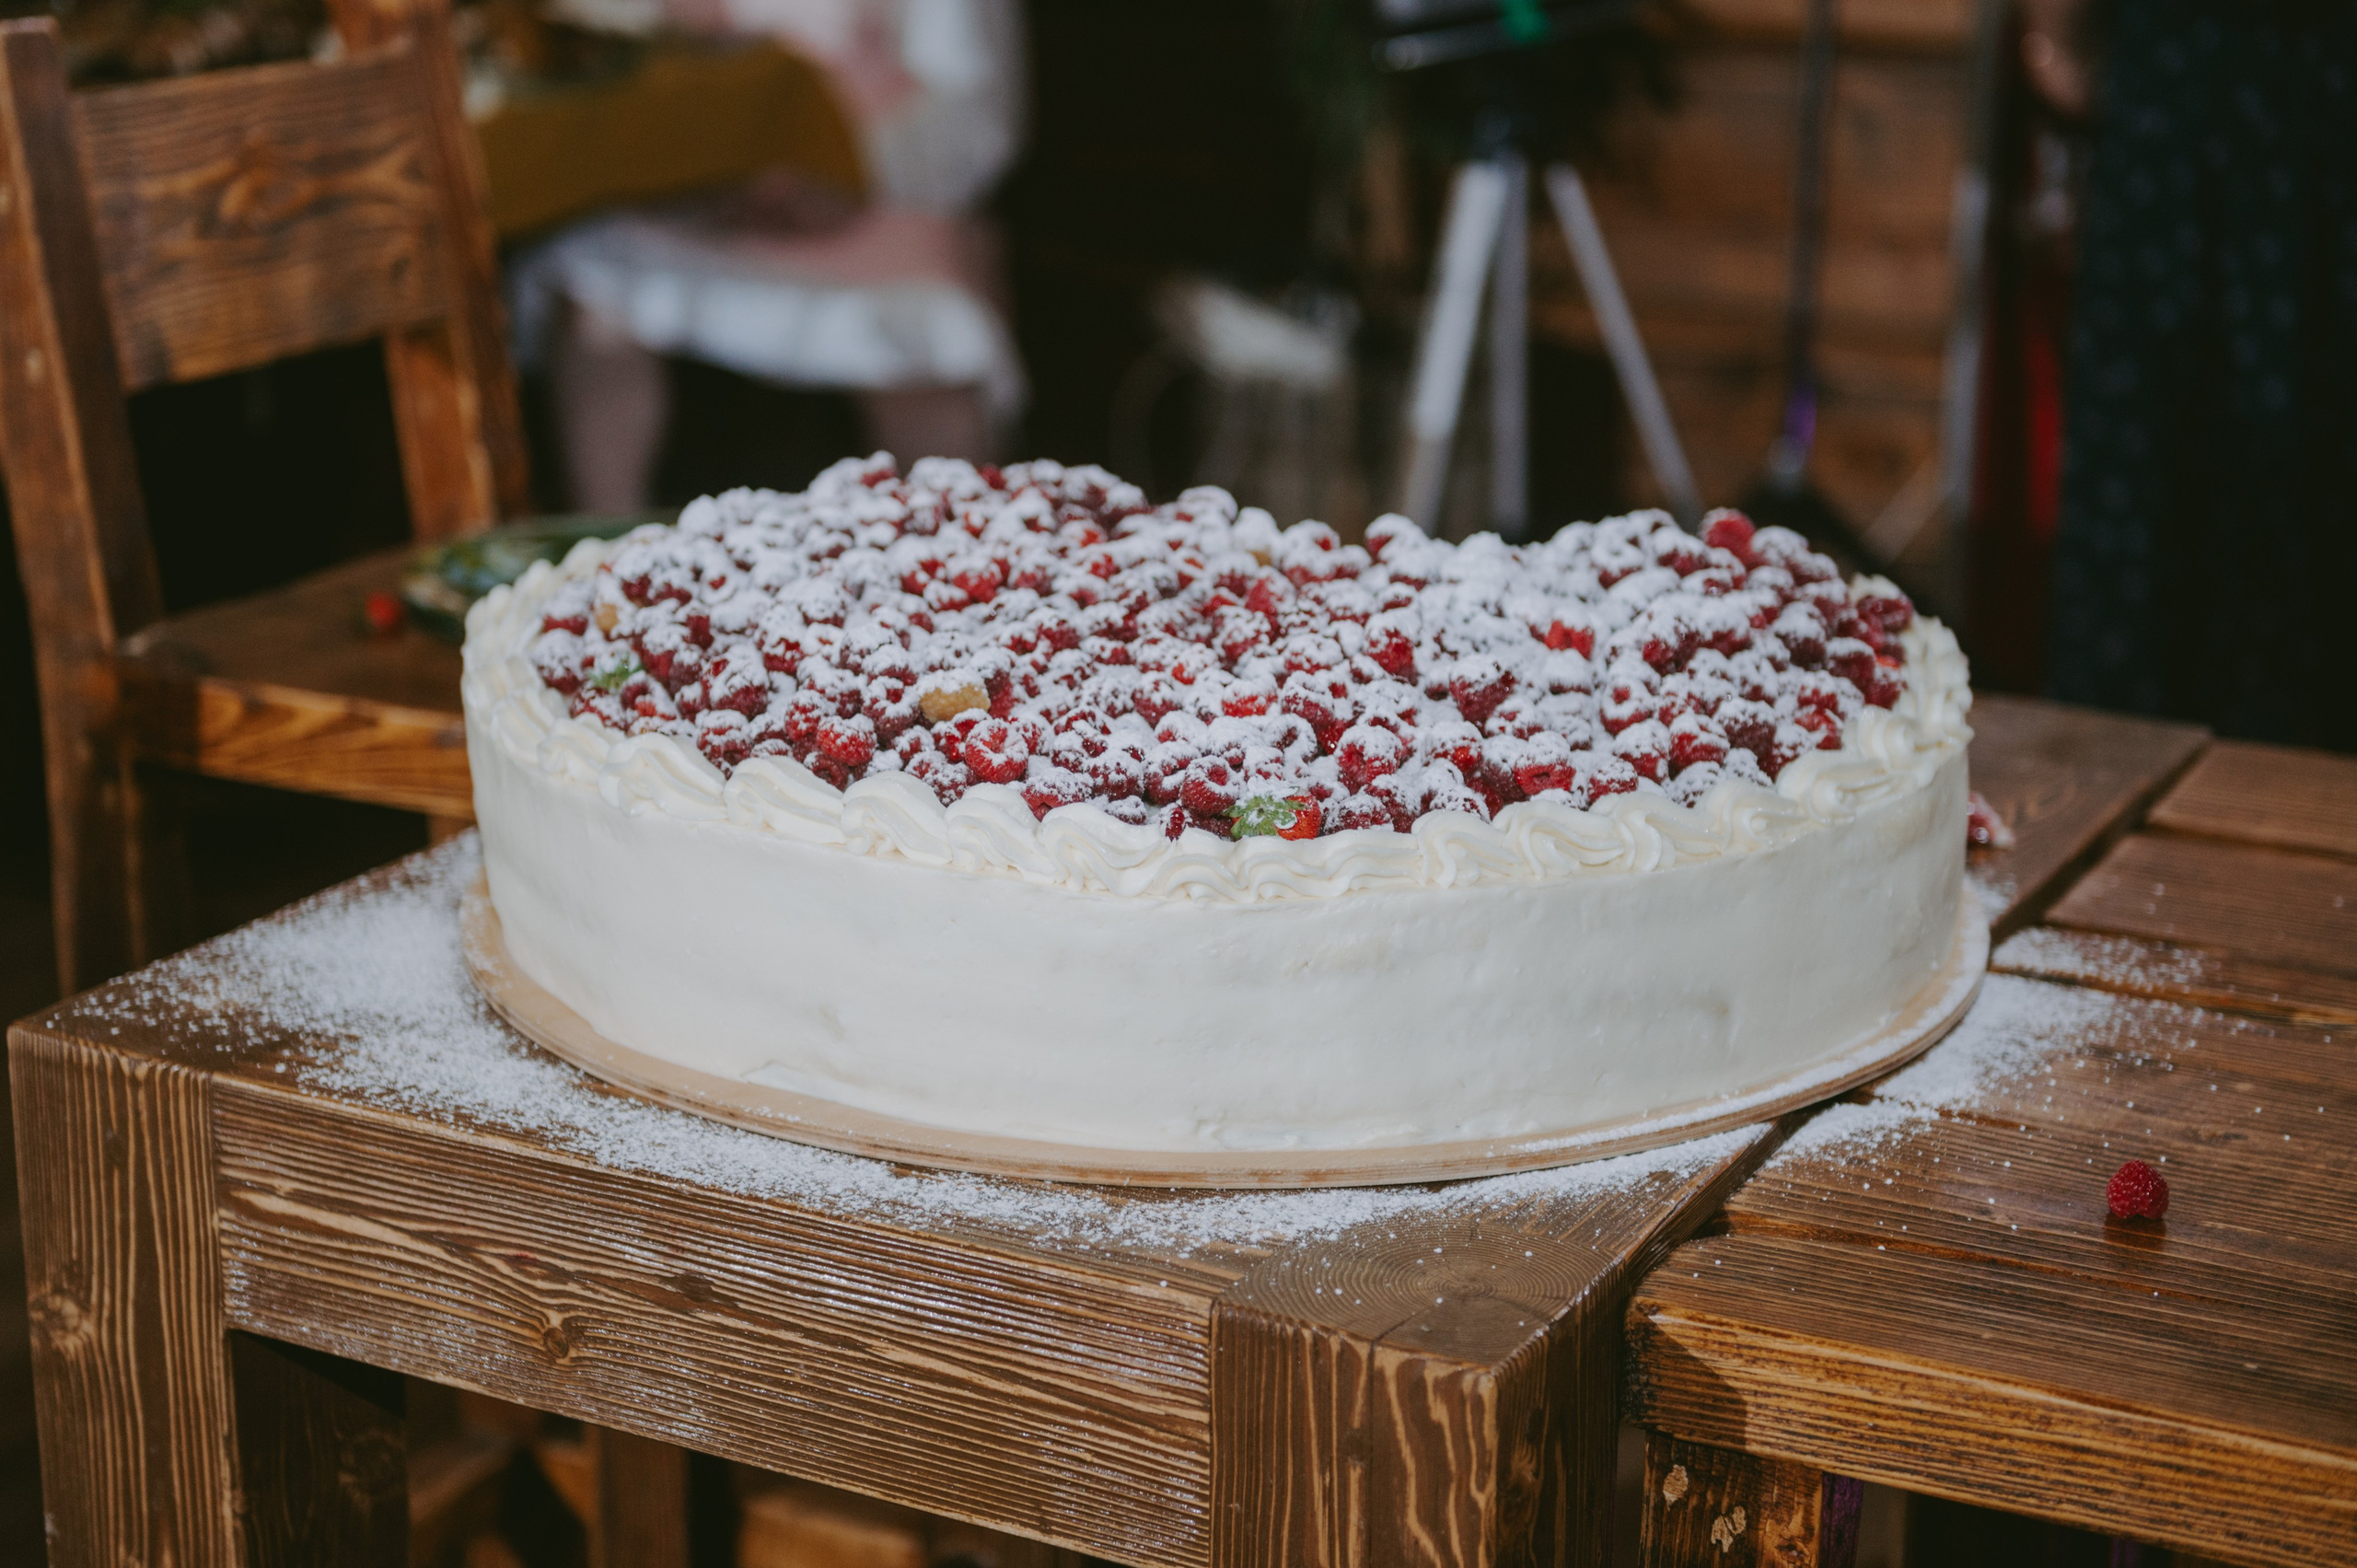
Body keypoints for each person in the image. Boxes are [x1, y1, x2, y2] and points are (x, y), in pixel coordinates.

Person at [2046, 0, 2356, 749]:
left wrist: (2059, 41)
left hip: (2260, 89)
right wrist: (2058, 37)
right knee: (2154, 468)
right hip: (2183, 83)